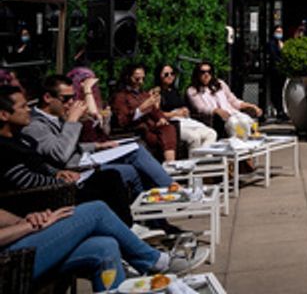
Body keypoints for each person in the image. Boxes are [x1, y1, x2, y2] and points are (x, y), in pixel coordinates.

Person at [0, 86, 137, 227]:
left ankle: (128, 226)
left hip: (60, 185)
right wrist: (72, 121)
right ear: (4, 115)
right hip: (44, 200)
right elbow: (32, 177)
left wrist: (58, 173)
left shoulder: (21, 138)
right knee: (111, 179)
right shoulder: (8, 145)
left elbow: (40, 164)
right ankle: (128, 227)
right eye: (23, 107)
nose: (29, 110)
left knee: (112, 175)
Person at [22, 75, 174, 198]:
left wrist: (97, 146)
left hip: (85, 159)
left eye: (72, 97)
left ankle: (167, 198)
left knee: (136, 149)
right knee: (130, 170)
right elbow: (59, 155)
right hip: (73, 170)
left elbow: (69, 146)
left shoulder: (57, 115)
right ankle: (166, 199)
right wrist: (72, 121)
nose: (70, 102)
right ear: (48, 97)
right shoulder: (35, 125)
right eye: (65, 98)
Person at [0, 201, 207, 291]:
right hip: (7, 266)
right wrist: (28, 227)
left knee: (104, 247)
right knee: (96, 211)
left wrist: (24, 220)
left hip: (16, 246)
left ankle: (153, 261)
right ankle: (157, 261)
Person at [110, 64, 179, 162]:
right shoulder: (121, 97)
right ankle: (169, 164)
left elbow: (155, 111)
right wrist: (141, 109)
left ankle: (170, 163)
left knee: (168, 128)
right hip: (137, 130)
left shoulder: (144, 94)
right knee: (163, 137)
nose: (141, 82)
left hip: (152, 127)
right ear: (128, 77)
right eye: (137, 79)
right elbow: (122, 121)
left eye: (143, 78)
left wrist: (161, 118)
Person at [186, 62, 262, 137]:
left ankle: (246, 141)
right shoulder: (192, 90)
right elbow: (201, 108)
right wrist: (215, 110)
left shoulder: (220, 84)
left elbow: (233, 101)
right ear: (197, 74)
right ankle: (238, 142)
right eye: (203, 72)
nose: (207, 75)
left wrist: (250, 105)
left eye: (209, 72)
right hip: (215, 119)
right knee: (233, 123)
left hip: (232, 113)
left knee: (244, 120)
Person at [154, 64, 217, 152]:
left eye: (172, 73)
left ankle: (204, 159)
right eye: (166, 74)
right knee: (194, 137)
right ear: (159, 76)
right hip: (173, 124)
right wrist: (175, 114)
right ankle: (195, 162)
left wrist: (185, 110)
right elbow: (157, 114)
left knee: (211, 133)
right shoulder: (156, 93)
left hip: (185, 121)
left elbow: (182, 106)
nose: (170, 76)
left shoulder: (175, 91)